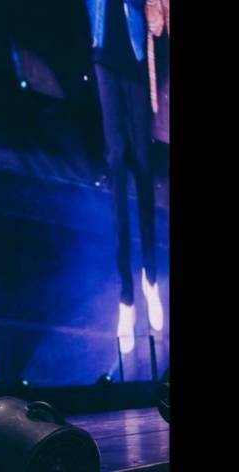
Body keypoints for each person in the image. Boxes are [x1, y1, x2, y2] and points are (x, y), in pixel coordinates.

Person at [86, 0, 165, 354]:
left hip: (135, 58)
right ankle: (126, 297)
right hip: (104, 56)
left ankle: (150, 278)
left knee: (144, 168)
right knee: (116, 164)